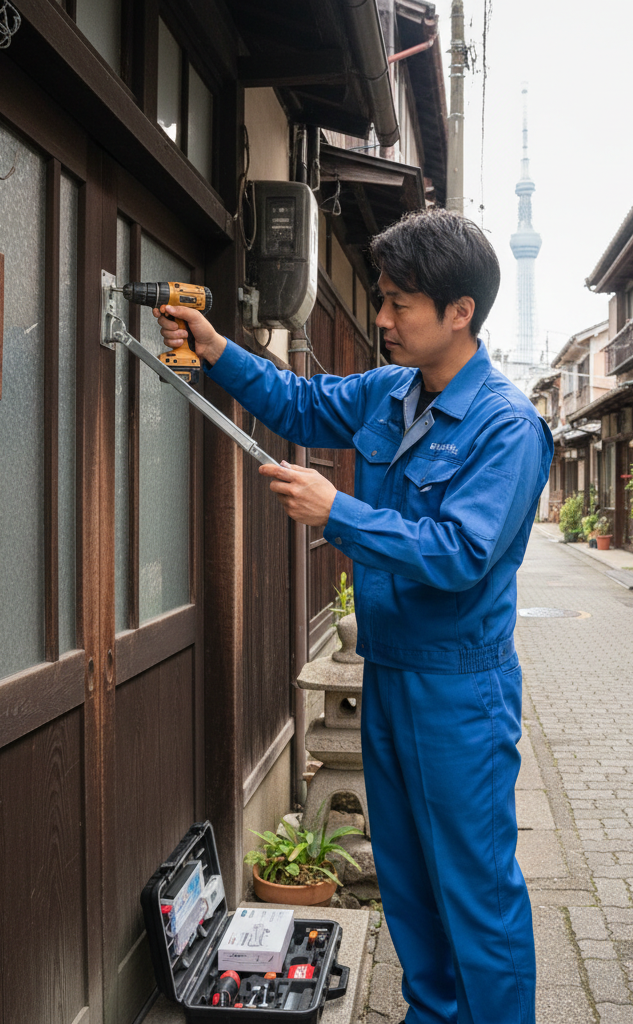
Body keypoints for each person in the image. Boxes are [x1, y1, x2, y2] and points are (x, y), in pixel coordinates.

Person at [154, 208, 552, 1024]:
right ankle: (431, 1013)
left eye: (399, 302)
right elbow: (299, 404)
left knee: (474, 885)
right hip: (391, 674)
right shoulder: (390, 392)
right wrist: (213, 345)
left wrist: (338, 511)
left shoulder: (508, 426)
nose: (381, 318)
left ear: (459, 312)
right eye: (381, 298)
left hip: (460, 693)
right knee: (406, 876)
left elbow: (460, 553)